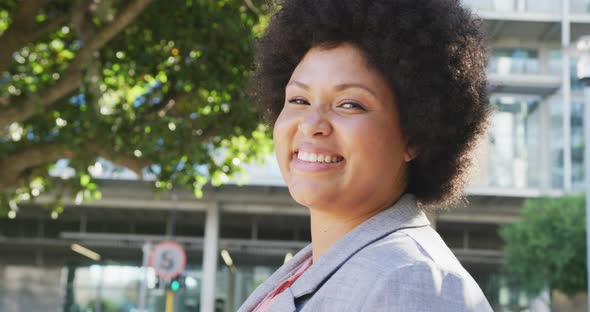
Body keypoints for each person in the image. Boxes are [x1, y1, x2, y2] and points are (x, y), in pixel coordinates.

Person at [238, 0, 493, 311]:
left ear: (414, 135)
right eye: (299, 99)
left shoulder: (415, 281)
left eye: (349, 104)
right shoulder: (312, 269)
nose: (311, 124)